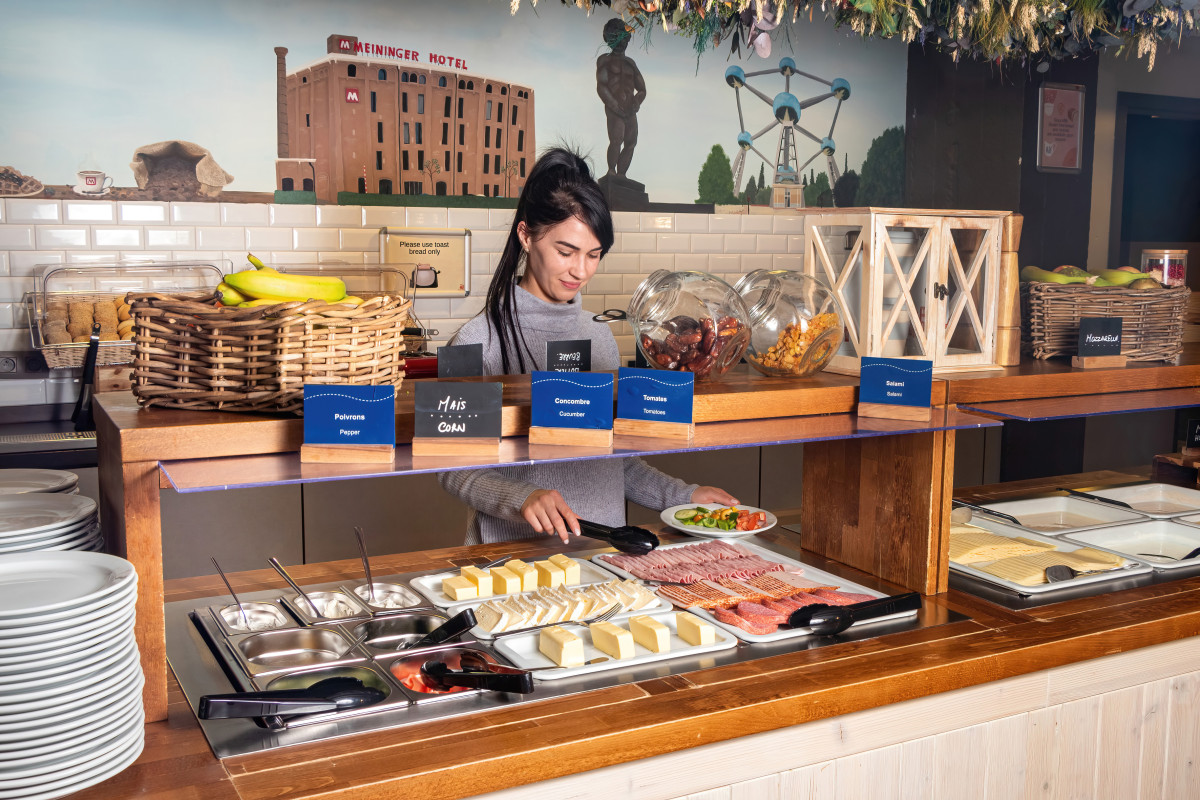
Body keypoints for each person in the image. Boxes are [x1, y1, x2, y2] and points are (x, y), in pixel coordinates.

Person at [439, 147, 738, 545]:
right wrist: (521, 497)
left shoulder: (600, 337)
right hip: (512, 564)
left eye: (594, 255)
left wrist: (683, 497)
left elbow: (613, 461)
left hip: (604, 557)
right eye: (566, 252)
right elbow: (449, 465)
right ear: (526, 235)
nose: (581, 270)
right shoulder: (475, 340)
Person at [596, 19, 646, 179]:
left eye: (623, 36)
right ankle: (611, 171)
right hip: (614, 108)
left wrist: (637, 101)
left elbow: (642, 89)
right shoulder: (605, 59)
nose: (621, 41)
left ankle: (621, 175)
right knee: (616, 138)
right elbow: (601, 86)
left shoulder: (631, 63)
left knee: (631, 142)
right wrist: (614, 105)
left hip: (630, 109)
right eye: (616, 36)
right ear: (609, 38)